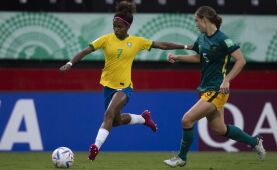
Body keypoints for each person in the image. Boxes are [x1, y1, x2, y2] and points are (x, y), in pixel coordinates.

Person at [59, 0, 190, 161]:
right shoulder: (106, 39)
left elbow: (161, 44)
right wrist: (70, 63)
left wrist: (185, 46)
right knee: (115, 121)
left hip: (125, 88)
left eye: (119, 26)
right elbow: (85, 51)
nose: (116, 29)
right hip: (108, 87)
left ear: (128, 27)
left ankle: (95, 148)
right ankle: (143, 118)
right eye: (114, 25)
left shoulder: (136, 42)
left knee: (108, 113)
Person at [163, 6, 266, 167]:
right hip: (206, 89)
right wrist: (178, 57)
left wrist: (227, 80)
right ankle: (254, 141)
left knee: (187, 119)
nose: (196, 24)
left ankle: (181, 158)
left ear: (205, 19)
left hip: (217, 89)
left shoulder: (224, 40)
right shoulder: (202, 38)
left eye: (197, 20)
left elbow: (241, 60)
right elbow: (198, 57)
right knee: (219, 129)